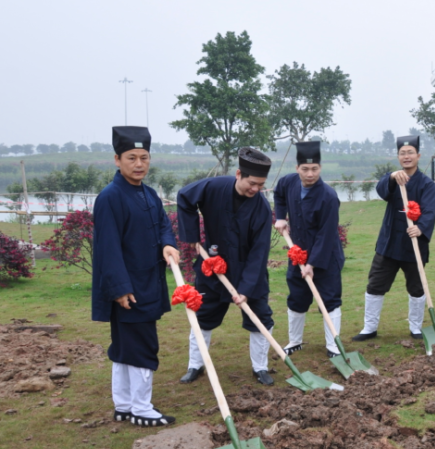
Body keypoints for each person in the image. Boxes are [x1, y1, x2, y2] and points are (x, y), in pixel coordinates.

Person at [92, 126, 180, 427]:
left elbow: (163, 225)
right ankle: (141, 408)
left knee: (125, 346)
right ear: (117, 160)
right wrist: (119, 287)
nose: (139, 164)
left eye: (144, 157)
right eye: (131, 158)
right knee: (141, 344)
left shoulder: (149, 193)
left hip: (149, 281)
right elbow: (107, 247)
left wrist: (168, 243)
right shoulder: (110, 197)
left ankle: (125, 404)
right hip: (129, 287)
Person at [175, 147, 276, 385]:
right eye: (252, 183)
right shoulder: (214, 187)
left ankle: (260, 368)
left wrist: (246, 289)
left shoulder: (262, 209)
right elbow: (185, 197)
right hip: (212, 265)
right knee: (202, 316)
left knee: (260, 318)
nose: (256, 189)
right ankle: (195, 364)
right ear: (239, 174)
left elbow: (259, 253)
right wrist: (192, 236)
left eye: (261, 185)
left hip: (249, 271)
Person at [353, 135, 435, 342]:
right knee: (375, 284)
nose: (406, 156)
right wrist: (391, 177)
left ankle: (416, 327)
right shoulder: (393, 179)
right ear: (398, 156)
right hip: (389, 244)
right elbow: (382, 192)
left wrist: (421, 228)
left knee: (416, 287)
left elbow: (429, 211)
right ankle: (369, 327)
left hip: (414, 244)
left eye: (410, 153)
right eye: (402, 153)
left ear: (418, 156)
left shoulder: (427, 184)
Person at [273, 141, 345, 358]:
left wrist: (312, 264)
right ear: (297, 168)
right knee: (297, 297)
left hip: (326, 257)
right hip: (297, 253)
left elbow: (326, 234)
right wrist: (280, 217)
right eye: (305, 169)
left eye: (314, 169)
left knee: (329, 299)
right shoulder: (289, 182)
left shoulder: (328, 196)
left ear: (320, 168)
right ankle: (295, 341)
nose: (310, 174)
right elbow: (278, 193)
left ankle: (333, 346)